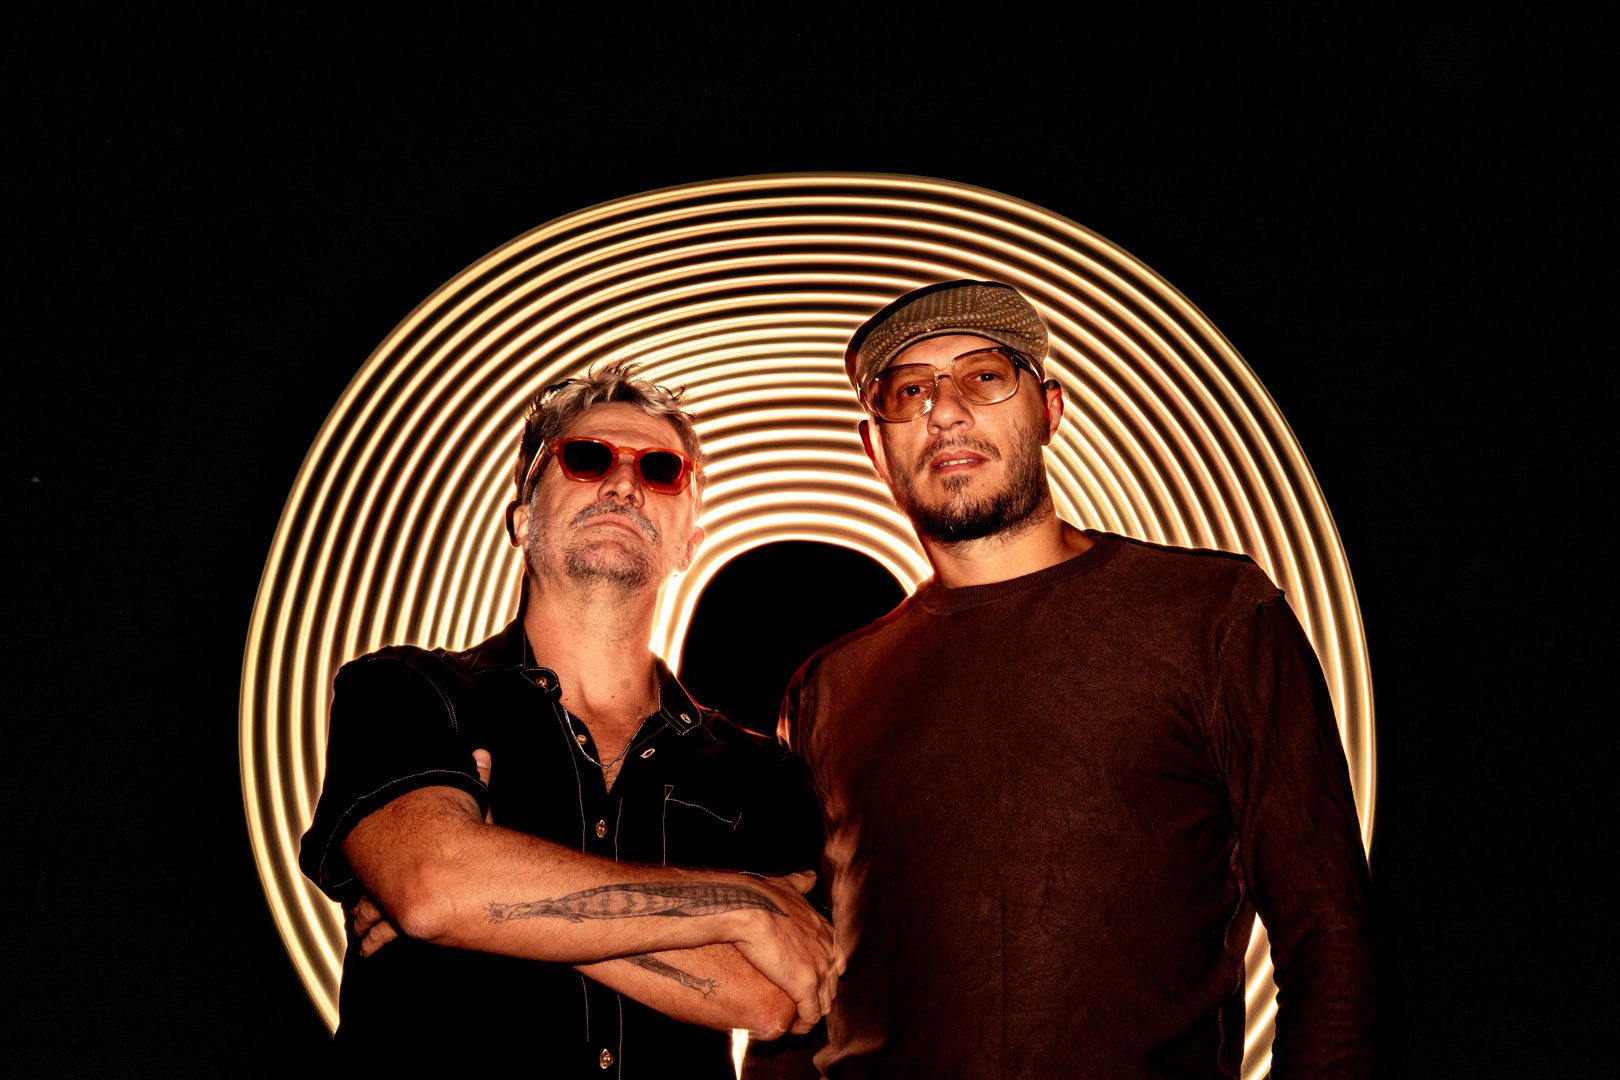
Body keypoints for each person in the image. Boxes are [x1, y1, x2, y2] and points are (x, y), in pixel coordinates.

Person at [775, 281, 1377, 1077]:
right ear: (874, 447)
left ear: (1050, 410)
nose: (944, 411)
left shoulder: (1213, 616)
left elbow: (1329, 939)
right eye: (908, 392)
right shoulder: (830, 688)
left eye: (984, 377)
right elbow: (796, 990)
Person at [300, 363, 841, 1075]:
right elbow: (432, 884)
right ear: (522, 518)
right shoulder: (406, 689)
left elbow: (771, 997)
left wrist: (490, 888)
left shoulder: (760, 772)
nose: (624, 484)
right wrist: (737, 903)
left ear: (689, 542)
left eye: (660, 470)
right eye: (587, 458)